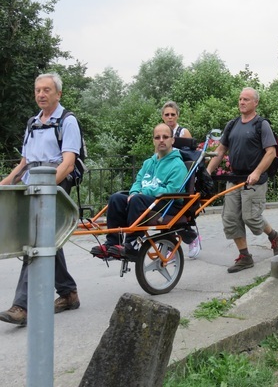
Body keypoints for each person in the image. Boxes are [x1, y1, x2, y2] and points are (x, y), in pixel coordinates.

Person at [0, 73, 81, 326]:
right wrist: (5, 183)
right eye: (37, 90)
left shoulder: (67, 122)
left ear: (58, 94)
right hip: (30, 185)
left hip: (53, 186)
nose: (41, 94)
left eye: (47, 90)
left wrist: (45, 188)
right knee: (47, 240)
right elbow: (25, 163)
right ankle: (68, 293)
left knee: (34, 240)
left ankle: (21, 306)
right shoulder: (32, 123)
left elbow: (68, 164)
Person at [206, 87, 278, 273]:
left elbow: (271, 152)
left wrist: (257, 172)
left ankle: (274, 237)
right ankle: (245, 256)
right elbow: (220, 150)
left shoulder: (261, 124)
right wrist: (208, 171)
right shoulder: (232, 125)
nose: (242, 102)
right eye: (240, 99)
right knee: (231, 218)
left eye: (246, 99)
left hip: (254, 180)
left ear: (255, 103)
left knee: (251, 217)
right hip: (235, 178)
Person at [90, 123, 189, 259]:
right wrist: (134, 192)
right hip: (148, 199)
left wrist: (144, 193)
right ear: (153, 140)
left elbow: (172, 190)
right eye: (157, 137)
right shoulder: (148, 163)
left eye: (165, 137)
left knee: (138, 200)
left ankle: (132, 244)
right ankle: (112, 243)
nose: (161, 140)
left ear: (172, 140)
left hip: (169, 203)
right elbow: (138, 182)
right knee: (116, 198)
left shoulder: (178, 165)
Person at [160, 100, 200, 257]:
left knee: (181, 209)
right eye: (167, 115)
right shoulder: (161, 132)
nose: (170, 117)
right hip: (165, 172)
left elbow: (191, 156)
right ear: (163, 117)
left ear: (177, 115)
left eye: (173, 114)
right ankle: (169, 245)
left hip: (180, 173)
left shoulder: (183, 132)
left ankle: (190, 238)